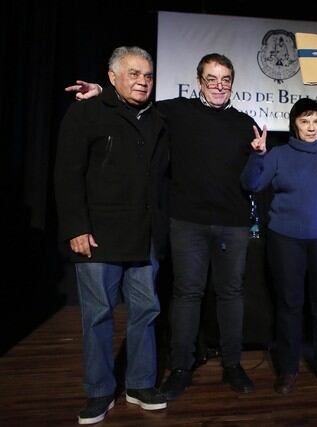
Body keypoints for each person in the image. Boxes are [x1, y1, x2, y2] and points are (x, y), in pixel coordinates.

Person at [67, 53, 261, 399]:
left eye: (225, 79)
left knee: (231, 294)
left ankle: (233, 364)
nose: (219, 86)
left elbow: (254, 181)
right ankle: (182, 367)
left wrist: (260, 156)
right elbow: (132, 100)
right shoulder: (174, 112)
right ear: (199, 81)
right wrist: (100, 89)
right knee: (186, 295)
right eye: (211, 79)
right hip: (187, 222)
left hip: (232, 225)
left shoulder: (246, 124)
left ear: (233, 83)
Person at [55, 46, 168, 425]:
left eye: (148, 76)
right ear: (112, 76)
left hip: (144, 235)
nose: (142, 81)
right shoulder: (85, 111)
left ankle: (139, 384)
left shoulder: (156, 118)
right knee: (98, 316)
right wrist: (76, 227)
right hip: (98, 234)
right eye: (133, 73)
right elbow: (67, 174)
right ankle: (101, 392)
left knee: (146, 311)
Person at [241, 58, 317, 394]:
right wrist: (258, 155)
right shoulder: (277, 154)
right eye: (305, 121)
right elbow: (250, 184)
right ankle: (288, 369)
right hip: (286, 240)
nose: (312, 127)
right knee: (289, 305)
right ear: (294, 123)